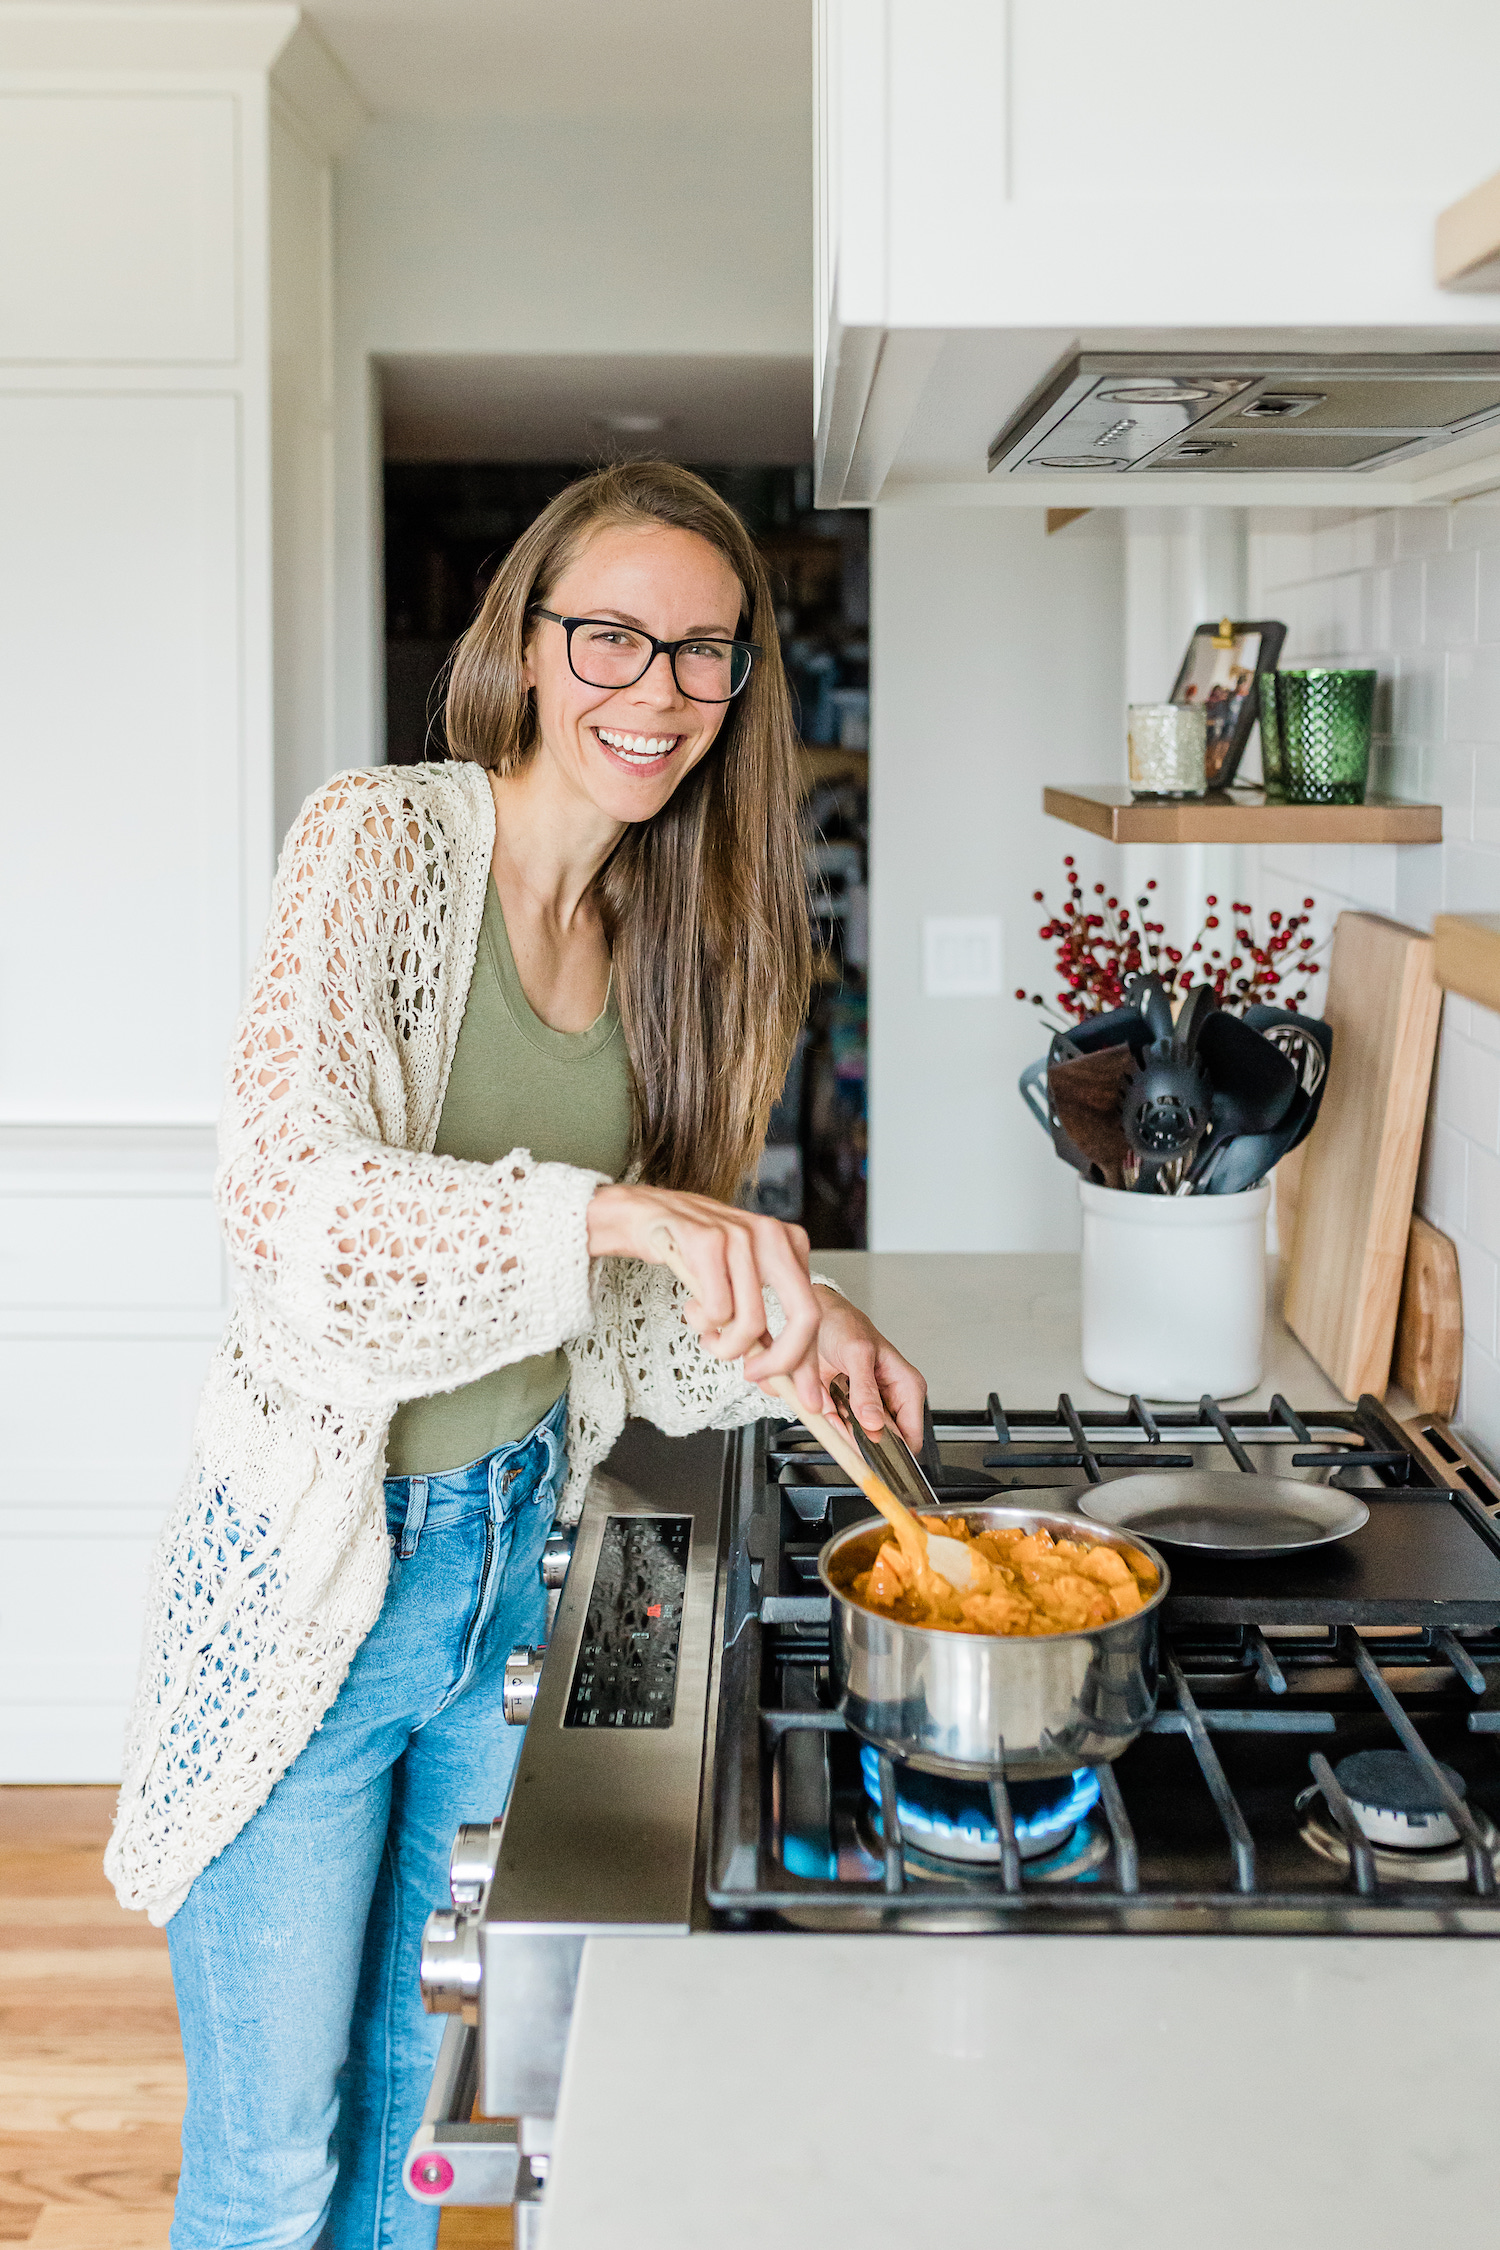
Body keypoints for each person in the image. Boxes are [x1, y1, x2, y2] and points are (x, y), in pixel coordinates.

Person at [106, 461, 926, 2249]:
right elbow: (296, 1224)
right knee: (270, 2158)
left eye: (707, 653)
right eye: (614, 635)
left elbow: (627, 1310)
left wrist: (811, 1338)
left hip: (515, 1570)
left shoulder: (672, 937)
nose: (658, 689)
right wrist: (628, 1210)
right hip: (326, 1587)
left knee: (414, 2110)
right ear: (531, 642)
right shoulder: (378, 844)